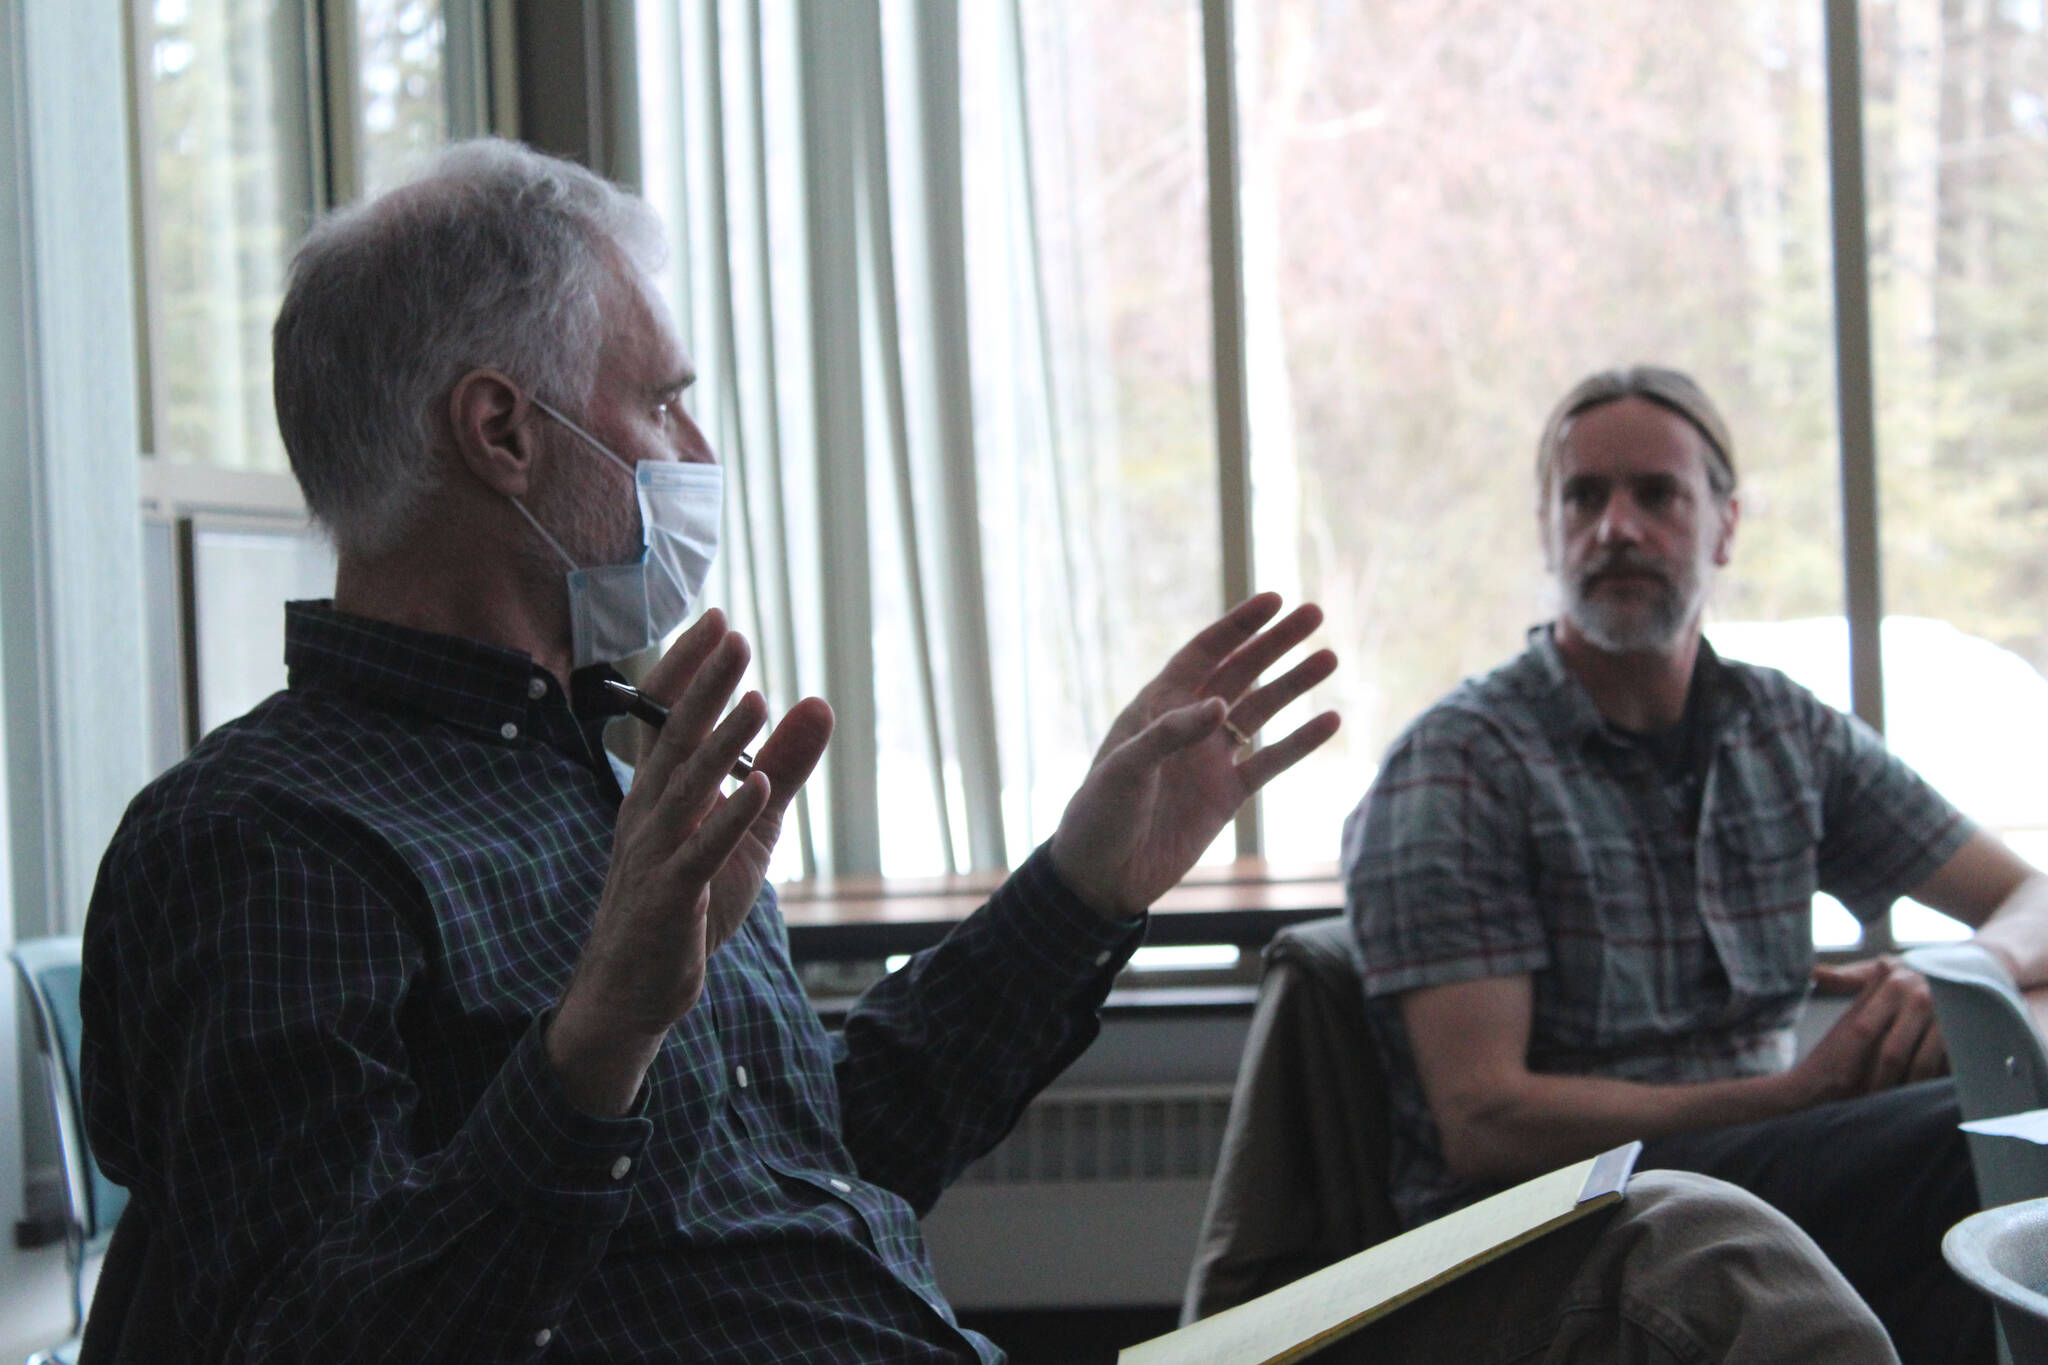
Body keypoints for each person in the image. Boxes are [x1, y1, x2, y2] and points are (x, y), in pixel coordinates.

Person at [80, 146, 1892, 1363]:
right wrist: (594, 1047)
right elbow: (318, 1336)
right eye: (662, 402)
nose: (696, 446)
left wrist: (1083, 885)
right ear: (501, 431)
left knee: (1687, 1255)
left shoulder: (611, 771)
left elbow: (843, 1151)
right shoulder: (267, 842)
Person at [1343, 364, 2048, 1364]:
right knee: (1970, 1146)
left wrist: (1961, 975)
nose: (1615, 528)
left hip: (1744, 1188)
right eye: (1583, 497)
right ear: (1545, 528)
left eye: (1656, 495)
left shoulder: (1781, 731)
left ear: (1723, 525)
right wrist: (1789, 1099)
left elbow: (2028, 894)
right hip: (1540, 1227)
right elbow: (1485, 1121)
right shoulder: (1463, 763)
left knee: (1998, 1138)